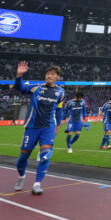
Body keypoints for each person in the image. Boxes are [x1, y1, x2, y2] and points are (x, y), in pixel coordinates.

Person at [12, 61, 65, 195]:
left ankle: (37, 183)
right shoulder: (36, 88)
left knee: (45, 156)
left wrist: (58, 126)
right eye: (47, 74)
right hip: (32, 127)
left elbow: (59, 111)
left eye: (52, 74)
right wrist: (19, 75)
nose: (49, 76)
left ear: (57, 77)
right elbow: (19, 87)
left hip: (48, 128)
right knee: (23, 157)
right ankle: (21, 176)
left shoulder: (61, 92)